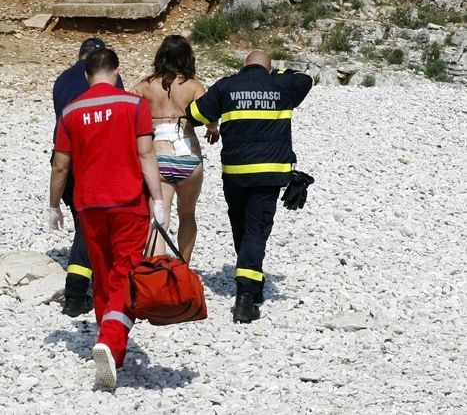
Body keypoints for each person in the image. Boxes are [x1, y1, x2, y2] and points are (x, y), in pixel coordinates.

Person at [49, 48, 164, 389]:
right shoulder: (134, 104)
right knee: (125, 275)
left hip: (88, 205)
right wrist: (158, 199)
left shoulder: (71, 111)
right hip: (128, 202)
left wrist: (53, 205)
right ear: (116, 71)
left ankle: (110, 341)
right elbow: (146, 154)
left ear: (86, 75)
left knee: (102, 276)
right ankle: (111, 342)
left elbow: (60, 164)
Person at [186, 49, 313, 323]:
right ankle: (246, 296)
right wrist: (276, 73)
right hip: (269, 174)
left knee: (241, 226)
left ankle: (251, 280)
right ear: (268, 68)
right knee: (257, 230)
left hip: (235, 173)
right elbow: (306, 79)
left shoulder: (228, 85)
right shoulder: (281, 84)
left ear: (244, 66)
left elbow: (194, 113)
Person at [52, 37, 124, 318]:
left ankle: (82, 284)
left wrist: (53, 202)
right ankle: (76, 293)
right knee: (88, 227)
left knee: (84, 223)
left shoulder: (61, 80)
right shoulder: (109, 78)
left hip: (64, 156)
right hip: (94, 161)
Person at [132, 35, 219, 264]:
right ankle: (183, 267)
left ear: (160, 56)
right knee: (187, 214)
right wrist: (213, 129)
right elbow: (209, 113)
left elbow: (126, 106)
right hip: (188, 156)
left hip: (158, 157)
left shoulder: (145, 85)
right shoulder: (192, 86)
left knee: (159, 217)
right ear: (187, 57)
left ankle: (157, 273)